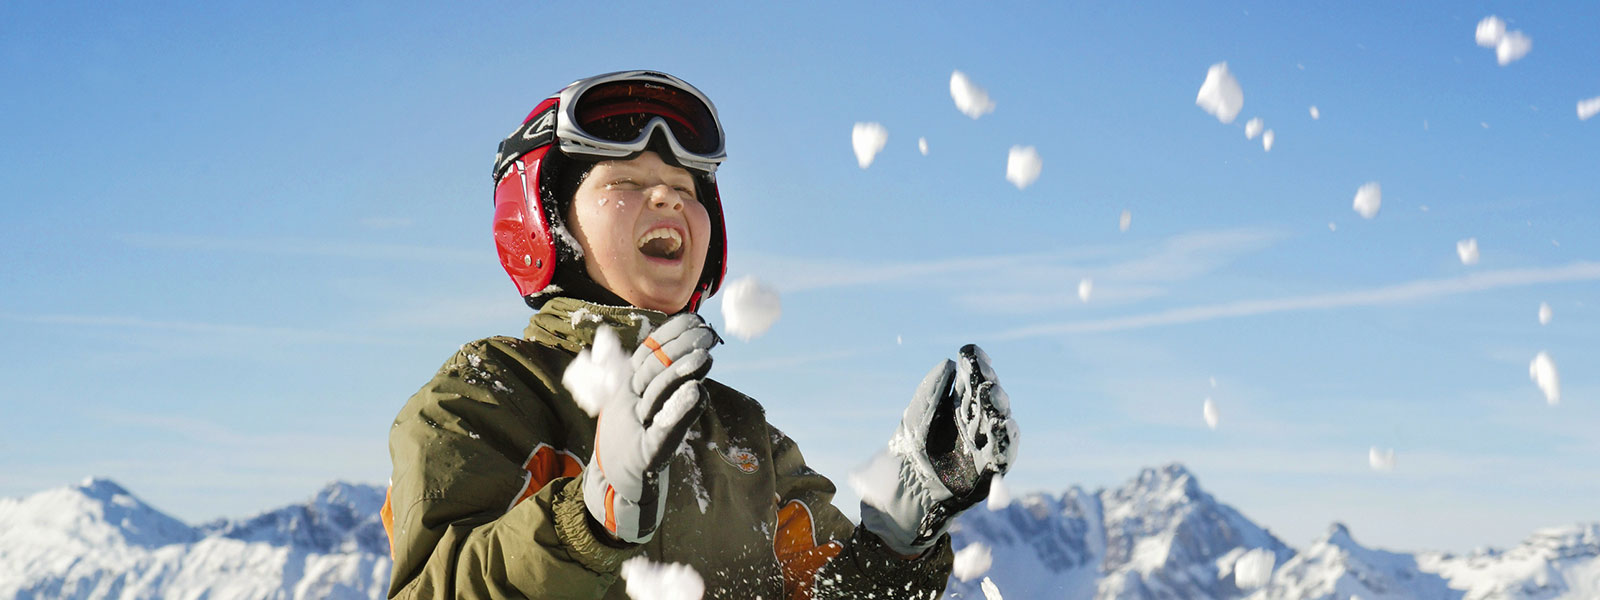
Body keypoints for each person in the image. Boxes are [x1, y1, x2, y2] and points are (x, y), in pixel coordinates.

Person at [382, 70, 1019, 600]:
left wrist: (900, 542)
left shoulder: (743, 438)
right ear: (547, 225)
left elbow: (828, 592)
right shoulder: (487, 396)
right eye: (625, 182)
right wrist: (589, 521)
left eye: (687, 189)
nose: (666, 197)